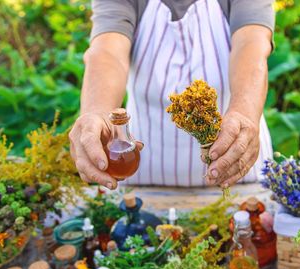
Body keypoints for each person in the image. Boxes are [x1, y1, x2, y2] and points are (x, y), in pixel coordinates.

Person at [70, 0, 275, 189]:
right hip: (145, 186)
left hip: (239, 178)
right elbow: (108, 51)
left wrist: (245, 112)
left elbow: (251, 44)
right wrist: (96, 113)